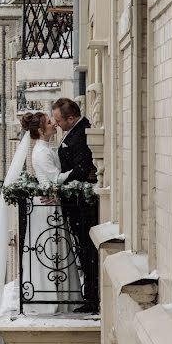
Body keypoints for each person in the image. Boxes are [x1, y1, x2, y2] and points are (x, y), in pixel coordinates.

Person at [20, 111, 84, 315]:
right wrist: (78, 175)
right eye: (49, 123)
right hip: (48, 208)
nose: (54, 125)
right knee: (52, 250)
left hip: (52, 203)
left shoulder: (46, 148)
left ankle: (60, 296)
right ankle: (52, 299)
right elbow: (55, 179)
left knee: (57, 249)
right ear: (40, 130)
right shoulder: (41, 151)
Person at [52, 97, 100, 313]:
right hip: (76, 203)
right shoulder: (73, 132)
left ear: (71, 118)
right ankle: (89, 295)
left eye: (59, 120)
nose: (57, 125)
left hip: (82, 205)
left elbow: (81, 169)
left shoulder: (82, 134)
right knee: (83, 250)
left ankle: (92, 298)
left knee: (87, 250)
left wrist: (60, 186)